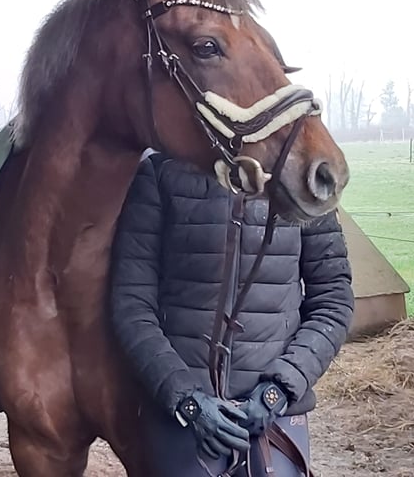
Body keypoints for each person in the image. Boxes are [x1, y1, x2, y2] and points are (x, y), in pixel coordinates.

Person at [110, 151, 354, 477]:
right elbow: (132, 305)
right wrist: (186, 400)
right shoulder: (159, 173)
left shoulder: (301, 182)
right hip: (181, 412)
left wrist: (280, 390)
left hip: (276, 412)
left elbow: (333, 301)